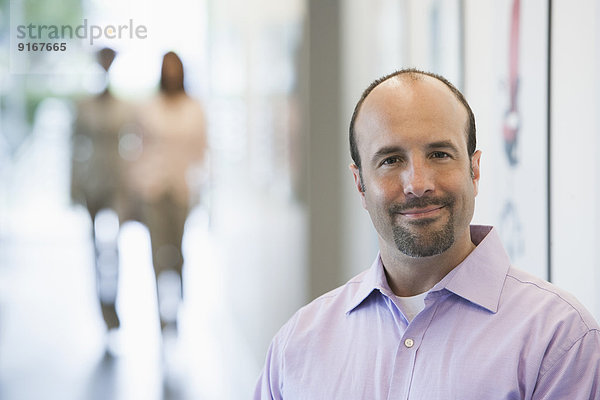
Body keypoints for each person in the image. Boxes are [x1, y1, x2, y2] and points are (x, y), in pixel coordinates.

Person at [254, 69, 600, 399]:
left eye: (439, 154)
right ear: (360, 184)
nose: (418, 185)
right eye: (390, 160)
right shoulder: (298, 344)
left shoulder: (559, 339)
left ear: (474, 170)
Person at [129, 51, 207, 336]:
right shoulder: (149, 107)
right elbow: (137, 149)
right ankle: (161, 309)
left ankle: (178, 303)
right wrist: (140, 183)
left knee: (178, 249)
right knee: (158, 250)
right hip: (154, 188)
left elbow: (201, 150)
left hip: (182, 189)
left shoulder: (194, 108)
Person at [71, 47, 133, 339]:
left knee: (114, 247)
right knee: (96, 247)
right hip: (92, 182)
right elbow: (74, 149)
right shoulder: (85, 106)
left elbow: (132, 148)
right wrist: (73, 187)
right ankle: (102, 307)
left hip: (116, 183)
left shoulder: (123, 107)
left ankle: (115, 302)